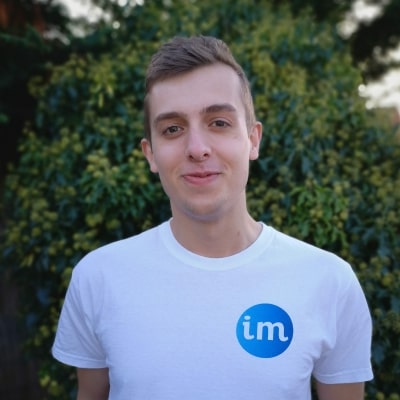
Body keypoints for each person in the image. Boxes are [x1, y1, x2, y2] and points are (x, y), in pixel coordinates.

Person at [52, 35, 373, 400]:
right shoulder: (98, 277)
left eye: (218, 122)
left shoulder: (329, 281)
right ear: (151, 154)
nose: (197, 149)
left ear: (252, 140)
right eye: (172, 129)